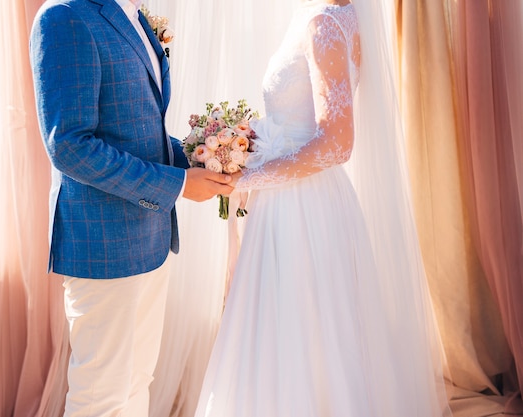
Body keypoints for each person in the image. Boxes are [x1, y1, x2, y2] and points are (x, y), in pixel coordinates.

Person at [193, 0, 453, 416]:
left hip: (297, 207)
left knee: (298, 330)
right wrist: (247, 143)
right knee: (319, 331)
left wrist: (248, 177)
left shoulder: (322, 23)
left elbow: (336, 143)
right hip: (316, 198)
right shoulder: (343, 15)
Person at [29, 0, 234, 415]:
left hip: (152, 237)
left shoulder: (135, 16)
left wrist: (203, 157)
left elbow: (141, 130)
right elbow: (69, 146)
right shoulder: (64, 16)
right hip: (102, 245)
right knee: (99, 396)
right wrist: (177, 186)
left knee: (137, 382)